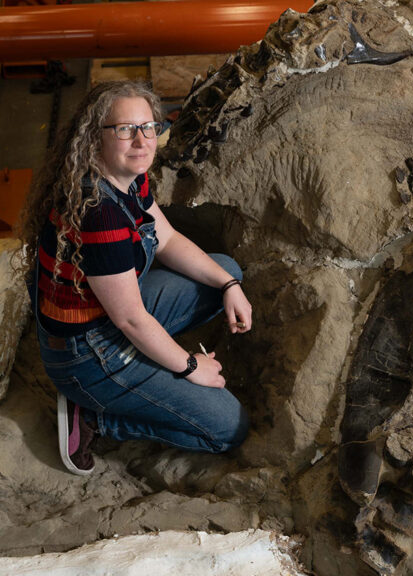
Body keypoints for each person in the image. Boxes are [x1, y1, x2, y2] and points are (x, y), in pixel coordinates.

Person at [17, 80, 252, 475]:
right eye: (125, 129)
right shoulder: (100, 214)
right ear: (95, 139)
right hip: (88, 353)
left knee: (225, 271)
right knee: (229, 429)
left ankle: (136, 379)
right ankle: (97, 418)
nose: (142, 141)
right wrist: (192, 367)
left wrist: (230, 286)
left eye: (149, 127)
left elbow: (167, 238)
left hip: (107, 318)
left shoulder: (128, 177)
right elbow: (130, 319)